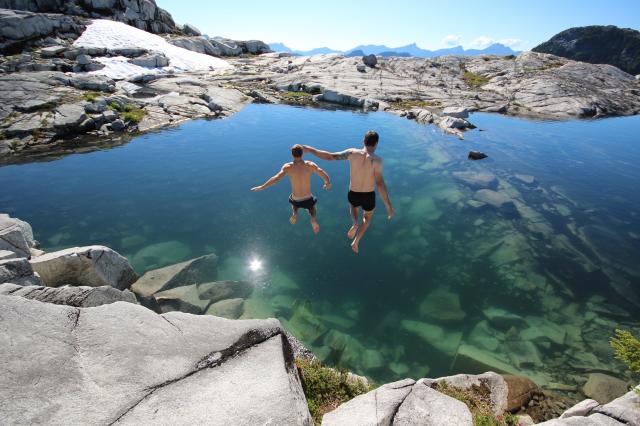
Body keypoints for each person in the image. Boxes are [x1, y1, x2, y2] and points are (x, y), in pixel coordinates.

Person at [303, 130, 393, 253]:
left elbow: (330, 156)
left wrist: (311, 150)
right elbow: (380, 184)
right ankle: (356, 241)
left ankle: (354, 222)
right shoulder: (377, 161)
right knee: (367, 219)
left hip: (354, 193)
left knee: (352, 205)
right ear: (376, 143)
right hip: (369, 196)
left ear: (363, 141)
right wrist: (388, 205)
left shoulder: (352, 153)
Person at [251, 144, 331, 234]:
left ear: (292, 155)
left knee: (294, 203)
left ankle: (295, 214)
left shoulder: (287, 167)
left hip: (296, 199)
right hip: (308, 197)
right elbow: (323, 173)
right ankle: (313, 219)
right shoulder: (310, 165)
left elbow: (276, 179)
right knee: (312, 208)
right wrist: (327, 183)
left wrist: (262, 187)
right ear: (302, 154)